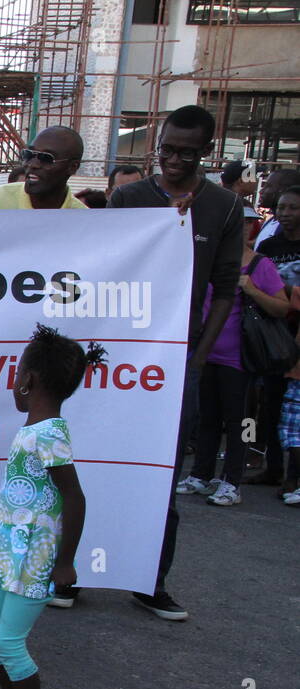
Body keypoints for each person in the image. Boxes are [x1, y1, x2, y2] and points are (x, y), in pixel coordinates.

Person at [107, 105, 243, 622]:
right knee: (96, 461)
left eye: (187, 153)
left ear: (206, 152)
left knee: (161, 474)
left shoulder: (226, 208)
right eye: (167, 149)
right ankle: (75, 571)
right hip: (119, 356)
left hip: (177, 360)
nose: (174, 161)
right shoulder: (128, 197)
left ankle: (150, 580)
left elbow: (226, 288)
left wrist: (199, 355)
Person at [0, 325, 99, 689]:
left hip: (34, 559)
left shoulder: (47, 433)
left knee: (9, 642)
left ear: (29, 380)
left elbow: (75, 495)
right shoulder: (35, 428)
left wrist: (65, 560)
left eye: (17, 373)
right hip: (10, 554)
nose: (13, 382)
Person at [177, 206, 291, 506]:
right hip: (204, 354)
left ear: (250, 229)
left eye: (242, 226)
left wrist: (251, 289)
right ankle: (201, 474)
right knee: (207, 418)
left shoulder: (259, 264)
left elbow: (282, 307)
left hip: (240, 359)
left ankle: (232, 480)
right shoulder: (207, 260)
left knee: (241, 421)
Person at [256, 184, 300, 499]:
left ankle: (294, 477)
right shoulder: (269, 246)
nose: (285, 213)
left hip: (297, 335)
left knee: (295, 410)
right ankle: (272, 468)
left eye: (293, 207)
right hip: (272, 333)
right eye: (282, 207)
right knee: (269, 404)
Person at [0, 127, 89, 212]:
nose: (32, 164)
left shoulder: (83, 221)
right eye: (29, 155)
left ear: (73, 167)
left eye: (46, 158)